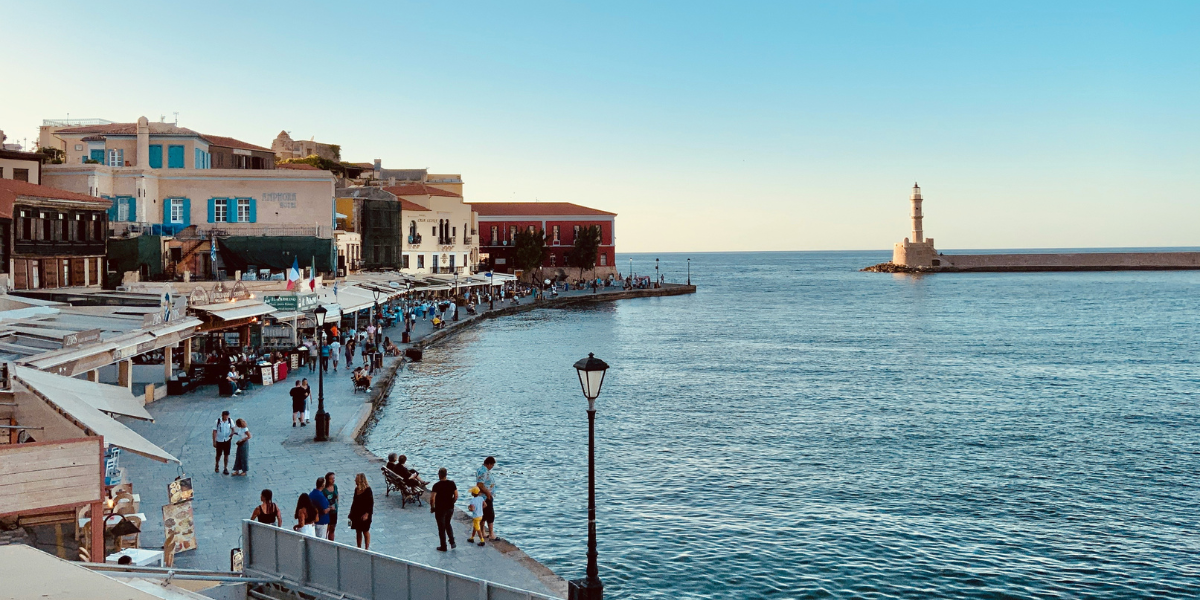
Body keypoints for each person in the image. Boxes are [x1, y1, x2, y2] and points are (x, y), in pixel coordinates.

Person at [429, 468, 457, 551]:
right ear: (446, 474)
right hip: (450, 508)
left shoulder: (436, 485)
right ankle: (452, 542)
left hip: (440, 508)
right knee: (448, 523)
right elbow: (456, 496)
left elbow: (432, 498)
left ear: (439, 475)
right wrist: (452, 503)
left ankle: (443, 546)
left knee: (441, 527)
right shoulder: (452, 483)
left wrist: (432, 507)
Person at [348, 473, 374, 550]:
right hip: (357, 513)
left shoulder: (368, 490)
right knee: (358, 530)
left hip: (365, 513)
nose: (355, 480)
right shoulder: (356, 489)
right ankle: (359, 547)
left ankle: (366, 548)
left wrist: (367, 514)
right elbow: (354, 501)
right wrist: (351, 513)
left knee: (365, 531)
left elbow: (370, 503)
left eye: (356, 478)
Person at [476, 456, 497, 540]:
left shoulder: (481, 469)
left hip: (483, 496)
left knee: (483, 515)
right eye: (492, 465)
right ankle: (491, 534)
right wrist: (488, 494)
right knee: (490, 515)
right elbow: (480, 484)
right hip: (485, 497)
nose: (492, 467)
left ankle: (483, 532)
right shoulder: (484, 471)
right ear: (488, 464)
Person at [323, 472, 340, 542]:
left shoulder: (335, 486)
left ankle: (331, 542)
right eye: (331, 479)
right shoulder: (324, 490)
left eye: (334, 478)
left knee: (332, 528)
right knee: (326, 528)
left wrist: (337, 504)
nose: (333, 480)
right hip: (327, 512)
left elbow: (337, 495)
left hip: (334, 511)